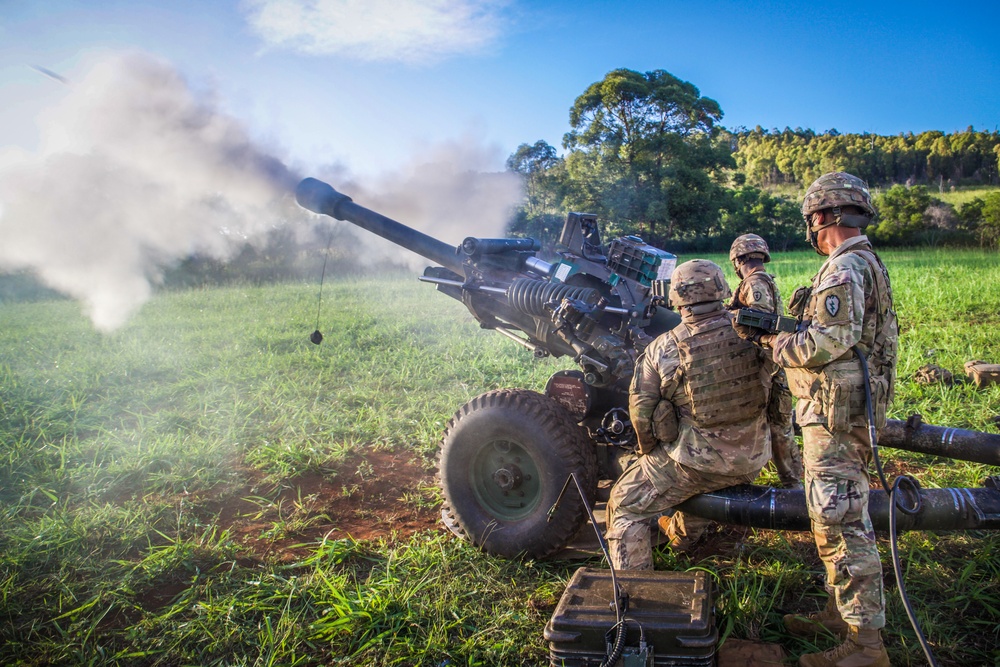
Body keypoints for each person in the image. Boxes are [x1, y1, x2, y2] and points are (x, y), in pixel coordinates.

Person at [756, 172, 897, 667]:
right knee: (835, 512)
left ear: (823, 217)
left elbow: (825, 344)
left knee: (841, 520)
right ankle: (845, 613)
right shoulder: (866, 261)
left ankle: (865, 646)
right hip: (848, 412)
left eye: (813, 220)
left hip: (835, 418)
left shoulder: (842, 269)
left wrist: (777, 343)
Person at [605, 259, 772, 569]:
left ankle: (637, 595)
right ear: (722, 289)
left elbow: (641, 413)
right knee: (697, 479)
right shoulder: (756, 333)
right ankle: (684, 540)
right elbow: (778, 397)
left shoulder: (662, 348)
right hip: (753, 456)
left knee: (624, 505)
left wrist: (649, 455)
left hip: (697, 465)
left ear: (677, 297)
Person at [728, 233, 804, 489]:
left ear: (738, 260)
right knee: (776, 424)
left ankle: (793, 484)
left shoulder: (755, 283)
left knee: (778, 426)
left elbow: (759, 320)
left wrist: (729, 315)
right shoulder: (761, 280)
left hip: (767, 365)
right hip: (771, 362)